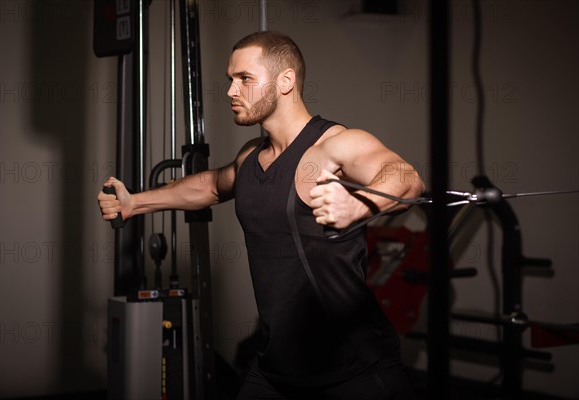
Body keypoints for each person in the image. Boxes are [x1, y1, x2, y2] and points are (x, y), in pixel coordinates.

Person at [98, 31, 424, 400]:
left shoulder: (334, 144)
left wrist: (358, 204)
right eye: (230, 80)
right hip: (276, 368)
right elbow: (210, 185)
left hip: (355, 368)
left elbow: (407, 178)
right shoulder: (250, 157)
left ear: (286, 80)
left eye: (244, 79)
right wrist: (135, 203)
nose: (231, 91)